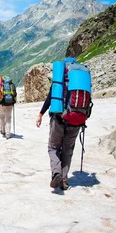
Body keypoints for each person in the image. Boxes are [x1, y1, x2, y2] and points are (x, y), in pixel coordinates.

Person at [36, 58, 83, 191]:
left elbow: (51, 97)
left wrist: (41, 114)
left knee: (53, 147)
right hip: (76, 121)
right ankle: (64, 180)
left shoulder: (60, 79)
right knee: (67, 151)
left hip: (58, 119)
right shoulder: (81, 81)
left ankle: (56, 173)